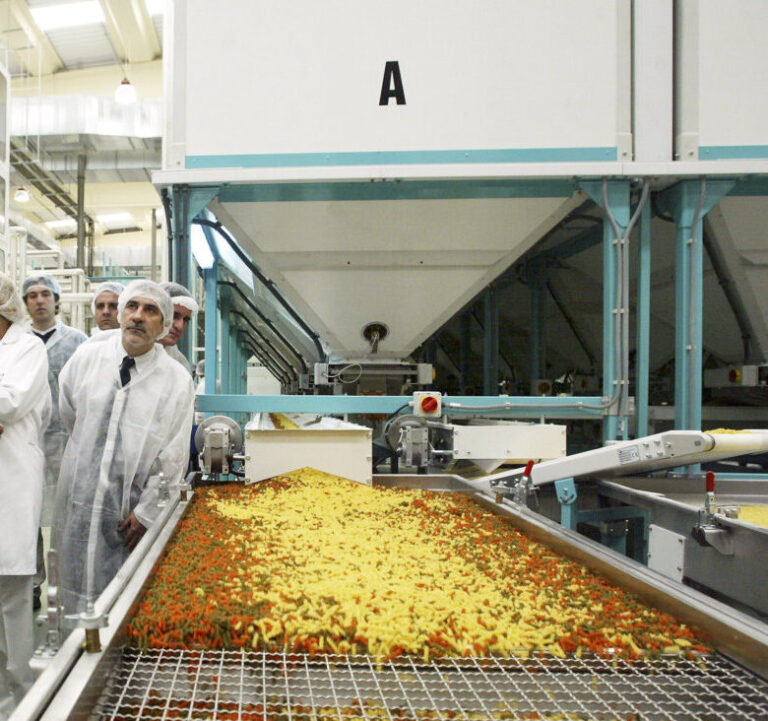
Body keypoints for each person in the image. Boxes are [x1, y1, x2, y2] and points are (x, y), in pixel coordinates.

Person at [55, 279, 195, 617]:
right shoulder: (88, 357)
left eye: (150, 311)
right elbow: (69, 412)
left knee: (122, 601)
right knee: (72, 591)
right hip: (79, 497)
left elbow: (173, 454)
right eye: (132, 307)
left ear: (162, 326)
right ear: (120, 314)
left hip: (128, 515)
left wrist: (148, 510)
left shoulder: (176, 381)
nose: (137, 316)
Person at [0, 273, 51, 706]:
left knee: (13, 601)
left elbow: (11, 401)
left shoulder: (28, 347)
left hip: (10, 481)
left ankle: (20, 700)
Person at [22, 274, 87, 609]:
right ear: (24, 303)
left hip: (66, 440)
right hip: (25, 443)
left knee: (67, 512)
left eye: (45, 293)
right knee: (27, 512)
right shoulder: (14, 342)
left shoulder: (78, 341)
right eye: (31, 295)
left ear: (56, 299)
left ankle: (67, 583)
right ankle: (34, 583)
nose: (39, 300)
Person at [158, 281, 198, 373]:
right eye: (174, 316)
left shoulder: (179, 362)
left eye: (185, 320)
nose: (180, 326)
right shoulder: (122, 350)